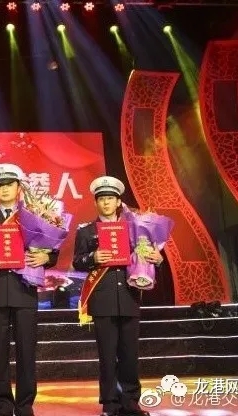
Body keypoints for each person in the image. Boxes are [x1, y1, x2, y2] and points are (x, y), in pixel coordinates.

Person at [0, 163, 58, 416]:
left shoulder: (34, 216)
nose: (4, 189)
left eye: (9, 184)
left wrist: (45, 258)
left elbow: (52, 250)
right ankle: (2, 406)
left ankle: (25, 406)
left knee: (27, 352)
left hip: (24, 291)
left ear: (18, 188)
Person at [72, 176, 162, 416]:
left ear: (119, 202)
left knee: (130, 354)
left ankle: (131, 403)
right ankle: (110, 404)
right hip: (102, 299)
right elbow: (77, 262)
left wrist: (157, 259)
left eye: (110, 198)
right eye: (101, 199)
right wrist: (93, 258)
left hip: (129, 296)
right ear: (95, 203)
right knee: (107, 355)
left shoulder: (135, 229)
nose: (106, 203)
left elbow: (146, 258)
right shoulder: (86, 231)